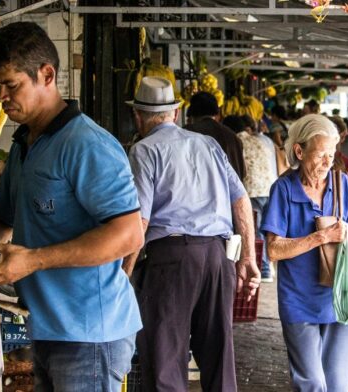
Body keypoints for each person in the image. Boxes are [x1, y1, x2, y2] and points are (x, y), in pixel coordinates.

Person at [0, 22, 144, 392]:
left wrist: (34, 259)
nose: (1, 97)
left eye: (11, 85)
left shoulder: (86, 144)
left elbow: (128, 234)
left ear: (47, 75)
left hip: (89, 334)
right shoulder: (24, 144)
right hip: (46, 326)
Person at [124, 77, 259, 392]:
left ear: (138, 116)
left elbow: (140, 220)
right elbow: (241, 199)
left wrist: (123, 274)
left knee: (165, 363)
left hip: (172, 261)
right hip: (217, 257)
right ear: (174, 113)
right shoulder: (207, 144)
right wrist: (248, 256)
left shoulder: (143, 150)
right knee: (218, 357)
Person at [260, 114, 348, 392]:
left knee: (338, 385)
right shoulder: (283, 189)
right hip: (298, 301)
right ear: (299, 151)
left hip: (340, 298)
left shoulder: (342, 186)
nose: (328, 162)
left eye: (331, 154)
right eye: (320, 155)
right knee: (312, 383)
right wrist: (321, 236)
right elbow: (274, 249)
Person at [233, 114, 278, 282]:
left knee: (255, 231)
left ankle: (264, 269)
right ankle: (269, 268)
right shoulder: (262, 139)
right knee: (267, 229)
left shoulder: (237, 141)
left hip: (251, 190)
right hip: (269, 187)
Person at [186, 92, 246, 180]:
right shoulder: (232, 136)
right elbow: (243, 173)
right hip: (232, 192)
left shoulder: (187, 133)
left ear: (191, 112)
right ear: (217, 112)